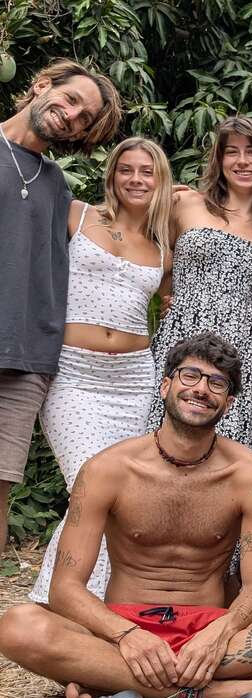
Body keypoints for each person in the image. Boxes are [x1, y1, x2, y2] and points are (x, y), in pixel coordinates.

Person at [0, 334, 252, 698]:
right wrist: (126, 635)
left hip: (207, 633)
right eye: (190, 375)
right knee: (18, 626)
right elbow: (65, 587)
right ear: (166, 384)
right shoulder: (108, 469)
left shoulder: (251, 477)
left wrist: (219, 633)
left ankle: (108, 682)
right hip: (123, 629)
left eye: (216, 383)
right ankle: (206, 693)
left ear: (229, 403)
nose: (201, 389)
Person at [29, 138, 173, 604]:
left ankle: (77, 606)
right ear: (111, 176)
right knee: (90, 487)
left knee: (125, 498)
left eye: (147, 172)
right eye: (126, 170)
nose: (136, 179)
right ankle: (66, 606)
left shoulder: (164, 246)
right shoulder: (77, 215)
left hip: (135, 379)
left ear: (160, 181)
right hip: (73, 372)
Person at [0, 58, 121, 554]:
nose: (72, 116)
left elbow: (70, 257)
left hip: (24, 361)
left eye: (84, 117)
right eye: (71, 100)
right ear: (42, 85)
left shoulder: (56, 184)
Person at [148, 116, 252, 456]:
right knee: (160, 440)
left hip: (242, 352)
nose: (242, 161)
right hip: (180, 338)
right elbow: (152, 257)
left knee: (225, 453)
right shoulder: (185, 204)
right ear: (219, 160)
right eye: (231, 152)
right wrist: (170, 294)